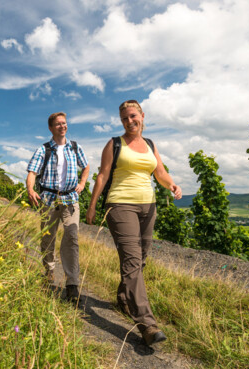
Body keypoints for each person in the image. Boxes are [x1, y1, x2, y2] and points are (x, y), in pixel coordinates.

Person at [85, 100, 182, 346]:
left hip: (148, 206)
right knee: (131, 261)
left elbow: (159, 171)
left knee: (140, 260)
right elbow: (103, 175)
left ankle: (124, 298)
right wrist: (93, 204)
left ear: (142, 115)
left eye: (133, 116)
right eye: (125, 119)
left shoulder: (150, 145)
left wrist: (171, 184)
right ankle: (147, 324)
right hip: (120, 205)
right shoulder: (114, 144)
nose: (129, 122)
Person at [26, 112, 90, 302]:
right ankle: (49, 272)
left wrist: (83, 183)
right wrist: (30, 189)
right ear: (51, 128)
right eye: (58, 124)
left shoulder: (75, 147)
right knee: (48, 238)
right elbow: (32, 171)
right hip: (48, 199)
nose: (62, 126)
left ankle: (72, 283)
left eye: (64, 123)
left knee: (72, 237)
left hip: (71, 199)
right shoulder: (43, 149)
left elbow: (86, 166)